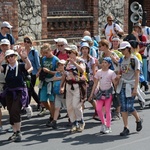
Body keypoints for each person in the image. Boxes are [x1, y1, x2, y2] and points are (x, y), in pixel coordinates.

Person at [0, 49, 32, 142]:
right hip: (9, 92)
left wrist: (25, 57)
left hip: (19, 92)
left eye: (12, 56)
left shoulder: (20, 66)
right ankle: (15, 132)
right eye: (8, 57)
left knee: (15, 110)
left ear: (15, 56)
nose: (10, 58)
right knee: (11, 111)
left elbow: (29, 66)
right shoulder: (6, 67)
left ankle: (18, 132)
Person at [117, 41, 143, 136]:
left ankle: (138, 119)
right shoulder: (121, 60)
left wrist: (135, 88)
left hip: (131, 85)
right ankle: (126, 127)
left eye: (123, 49)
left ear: (128, 49)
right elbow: (120, 72)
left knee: (129, 106)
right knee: (123, 107)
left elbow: (137, 74)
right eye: (121, 50)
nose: (122, 51)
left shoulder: (134, 60)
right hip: (123, 85)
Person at [60, 45, 86, 133]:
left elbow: (82, 70)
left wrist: (74, 63)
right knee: (69, 106)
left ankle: (80, 121)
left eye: (70, 52)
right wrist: (62, 86)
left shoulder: (80, 61)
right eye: (67, 52)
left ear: (74, 52)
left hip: (77, 86)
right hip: (68, 86)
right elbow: (64, 74)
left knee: (76, 105)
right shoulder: (67, 62)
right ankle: (74, 123)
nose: (68, 54)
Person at [88, 57, 118, 134]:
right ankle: (103, 123)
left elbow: (115, 84)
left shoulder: (111, 73)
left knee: (108, 110)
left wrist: (117, 93)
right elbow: (95, 83)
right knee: (98, 109)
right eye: (103, 62)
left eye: (105, 62)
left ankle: (108, 126)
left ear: (109, 64)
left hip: (108, 93)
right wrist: (91, 94)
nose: (104, 64)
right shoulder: (99, 72)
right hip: (100, 93)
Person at [38, 43, 59, 126]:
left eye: (46, 53)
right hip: (44, 81)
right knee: (42, 99)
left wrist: (49, 71)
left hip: (52, 81)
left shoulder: (55, 60)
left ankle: (53, 118)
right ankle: (52, 112)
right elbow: (41, 67)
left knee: (52, 100)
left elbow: (58, 72)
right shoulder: (43, 59)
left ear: (51, 51)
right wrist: (39, 72)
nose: (45, 55)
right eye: (43, 53)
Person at [80, 42, 97, 119]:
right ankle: (80, 116)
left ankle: (97, 111)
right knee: (81, 99)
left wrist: (95, 82)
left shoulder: (91, 59)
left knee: (91, 98)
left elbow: (94, 71)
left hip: (90, 79)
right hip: (82, 80)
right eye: (83, 49)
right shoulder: (79, 59)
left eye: (86, 49)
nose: (84, 50)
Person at [23, 36, 41, 110]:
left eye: (28, 42)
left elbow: (38, 64)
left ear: (31, 43)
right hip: (26, 73)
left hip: (33, 73)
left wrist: (37, 73)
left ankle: (27, 105)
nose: (26, 43)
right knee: (29, 89)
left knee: (30, 89)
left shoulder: (34, 52)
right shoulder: (23, 51)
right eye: (25, 41)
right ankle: (40, 103)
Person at [48, 59, 66, 129]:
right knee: (57, 107)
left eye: (62, 65)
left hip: (64, 94)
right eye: (59, 65)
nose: (60, 66)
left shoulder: (66, 73)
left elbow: (65, 80)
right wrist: (62, 77)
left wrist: (62, 78)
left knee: (68, 107)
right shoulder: (57, 73)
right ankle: (54, 121)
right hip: (57, 93)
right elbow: (54, 79)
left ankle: (72, 120)